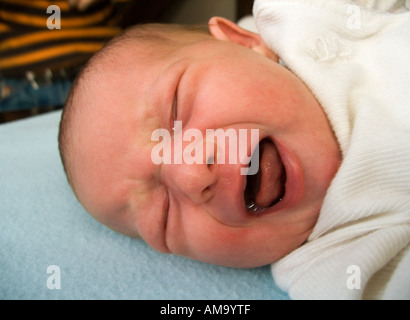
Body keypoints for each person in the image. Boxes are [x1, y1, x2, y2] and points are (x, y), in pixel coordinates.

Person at [58, 0, 410, 300]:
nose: (191, 173)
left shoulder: (305, 19)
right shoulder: (335, 267)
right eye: (162, 216)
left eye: (176, 111)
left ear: (245, 44)